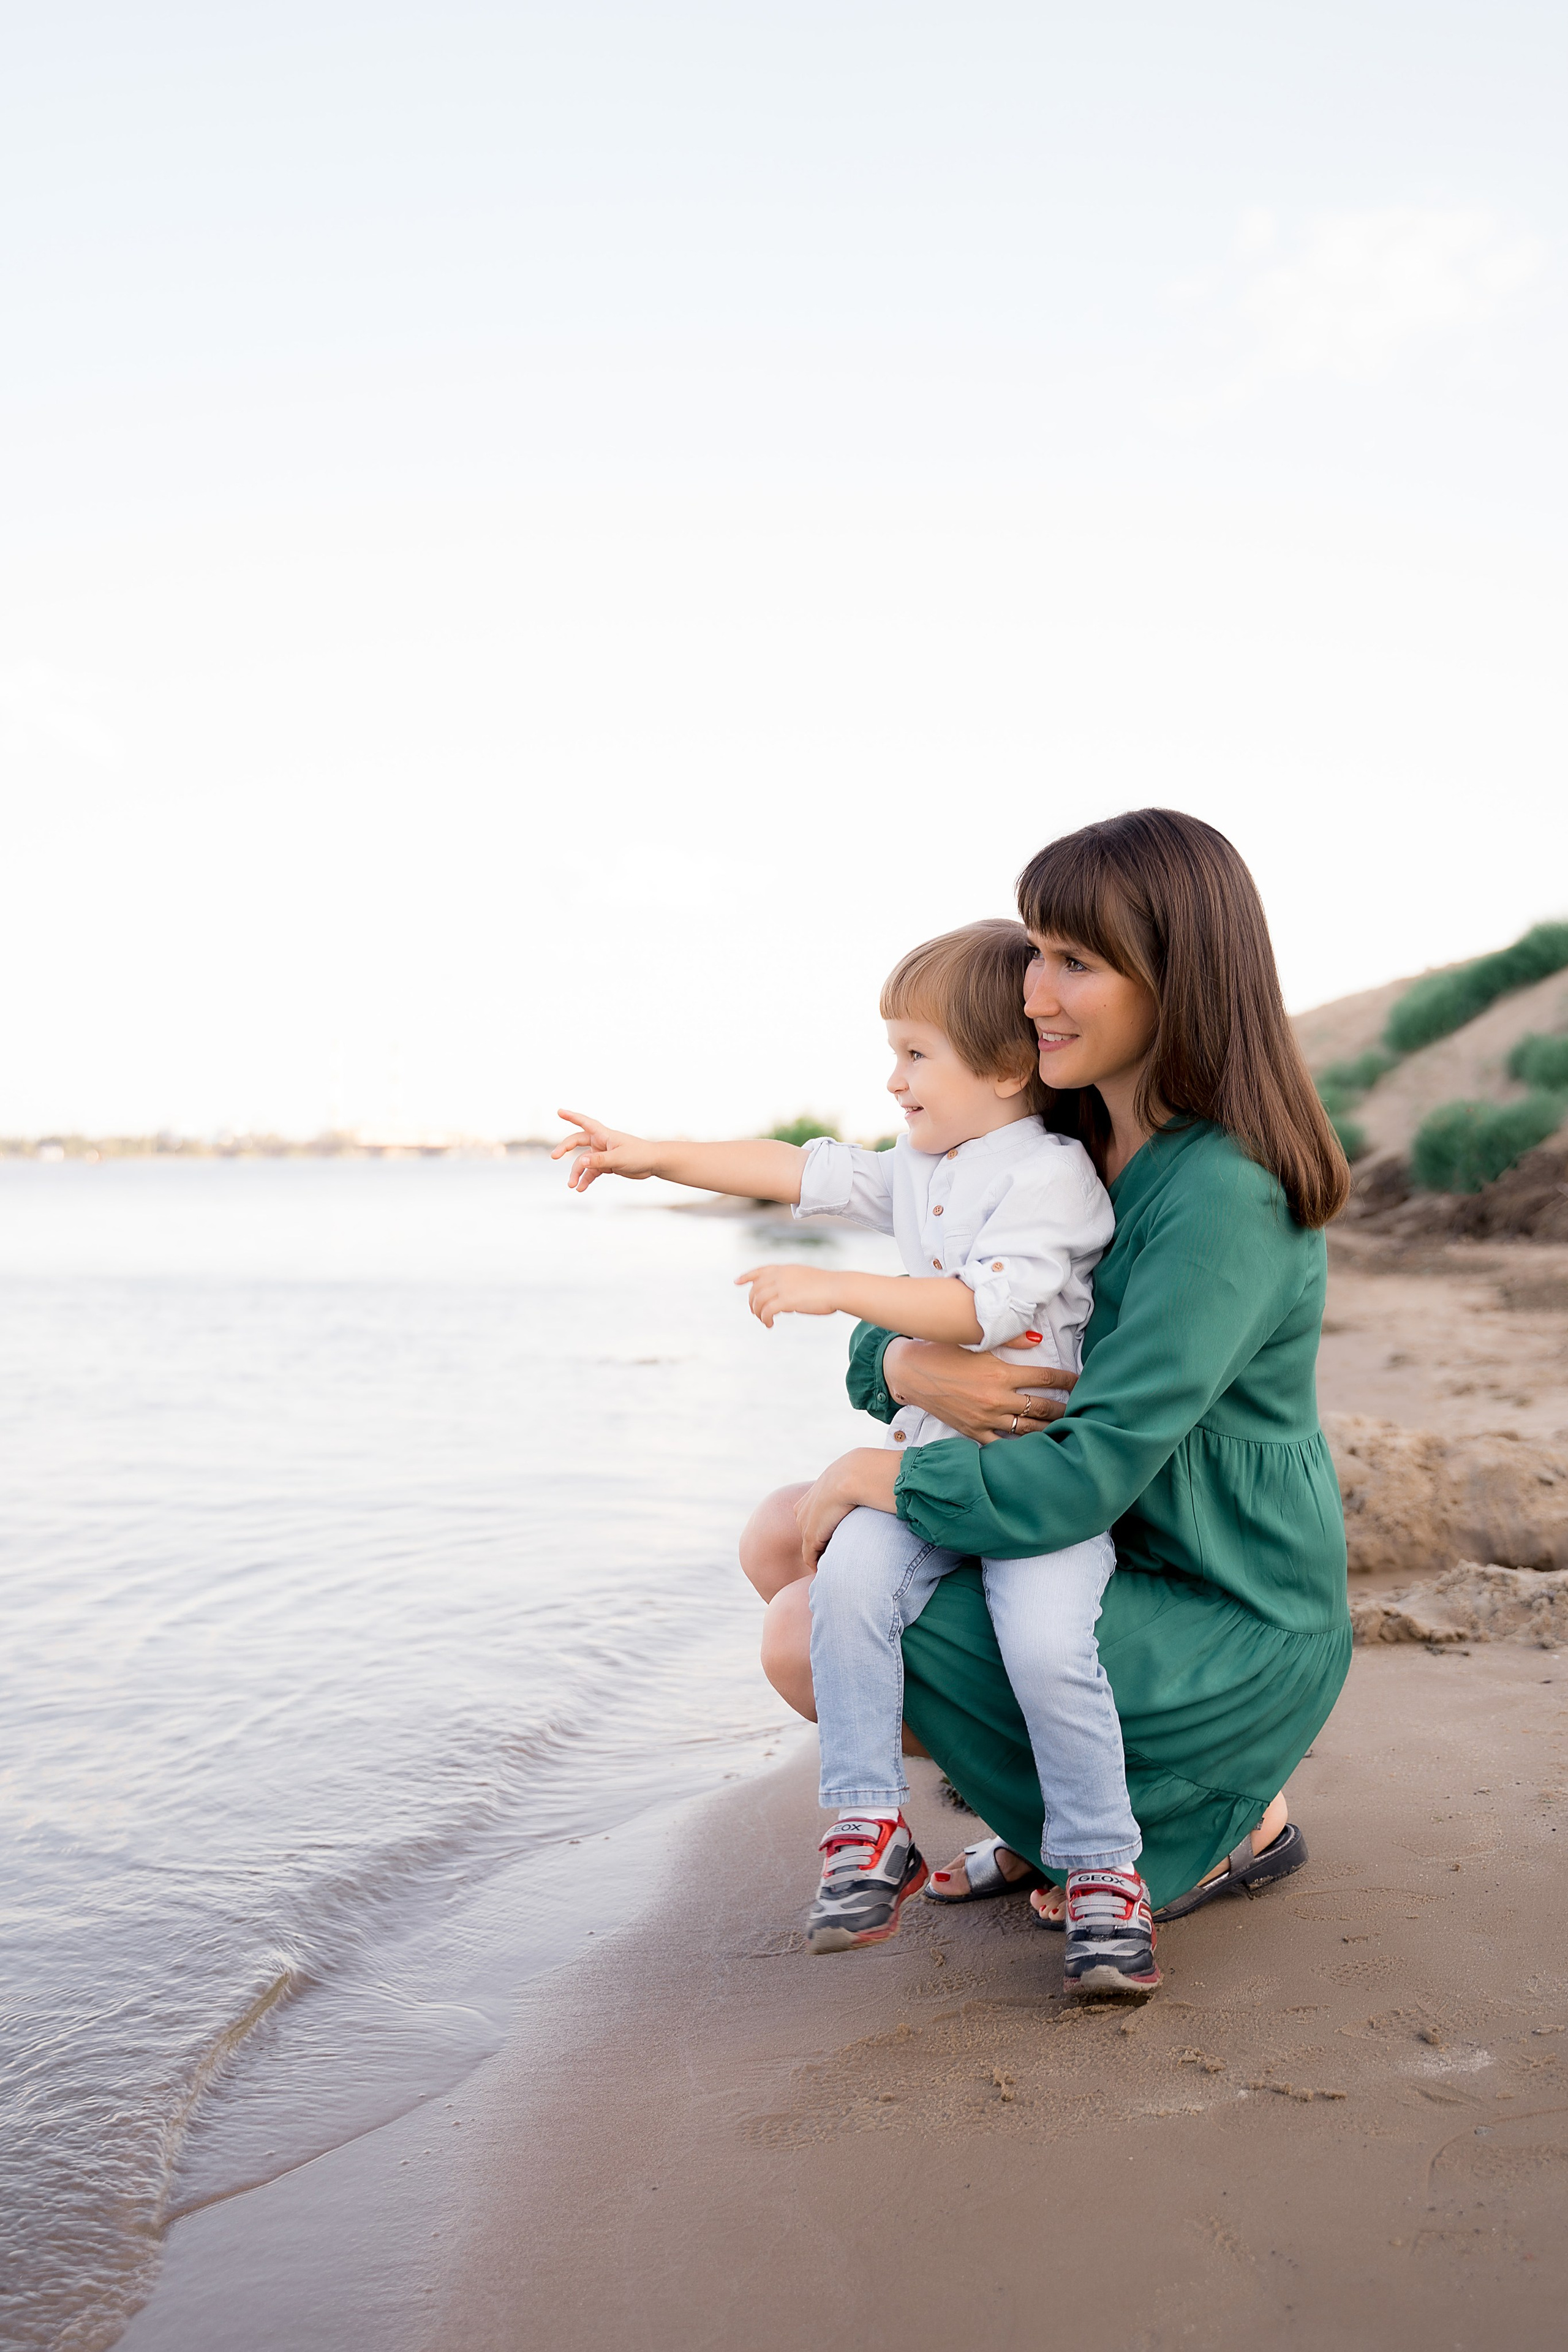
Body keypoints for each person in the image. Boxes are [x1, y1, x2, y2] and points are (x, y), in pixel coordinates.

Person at [748, 808, 1352, 1936]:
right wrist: (918, 1370)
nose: (1032, 991)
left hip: (1223, 1603)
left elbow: (1080, 1478)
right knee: (784, 1534)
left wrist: (872, 1475)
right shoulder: (1063, 1134)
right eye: (1035, 950)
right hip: (1114, 1536)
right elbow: (902, 1324)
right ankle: (1059, 1832)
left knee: (805, 1612)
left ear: (1178, 978)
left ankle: (1223, 1819)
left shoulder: (1227, 1192)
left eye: (1075, 961)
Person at [552, 918, 1162, 1993]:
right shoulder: (924, 1166)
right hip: (929, 1469)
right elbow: (798, 1171)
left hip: (1033, 1484)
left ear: (1010, 1064)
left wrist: (835, 1289)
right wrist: (653, 1155)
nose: (893, 1081)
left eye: (915, 1054)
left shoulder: (1050, 1176)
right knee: (845, 1588)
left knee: (1048, 1645)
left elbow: (980, 1308)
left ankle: (1104, 1868)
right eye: (893, 1053)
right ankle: (869, 1824)